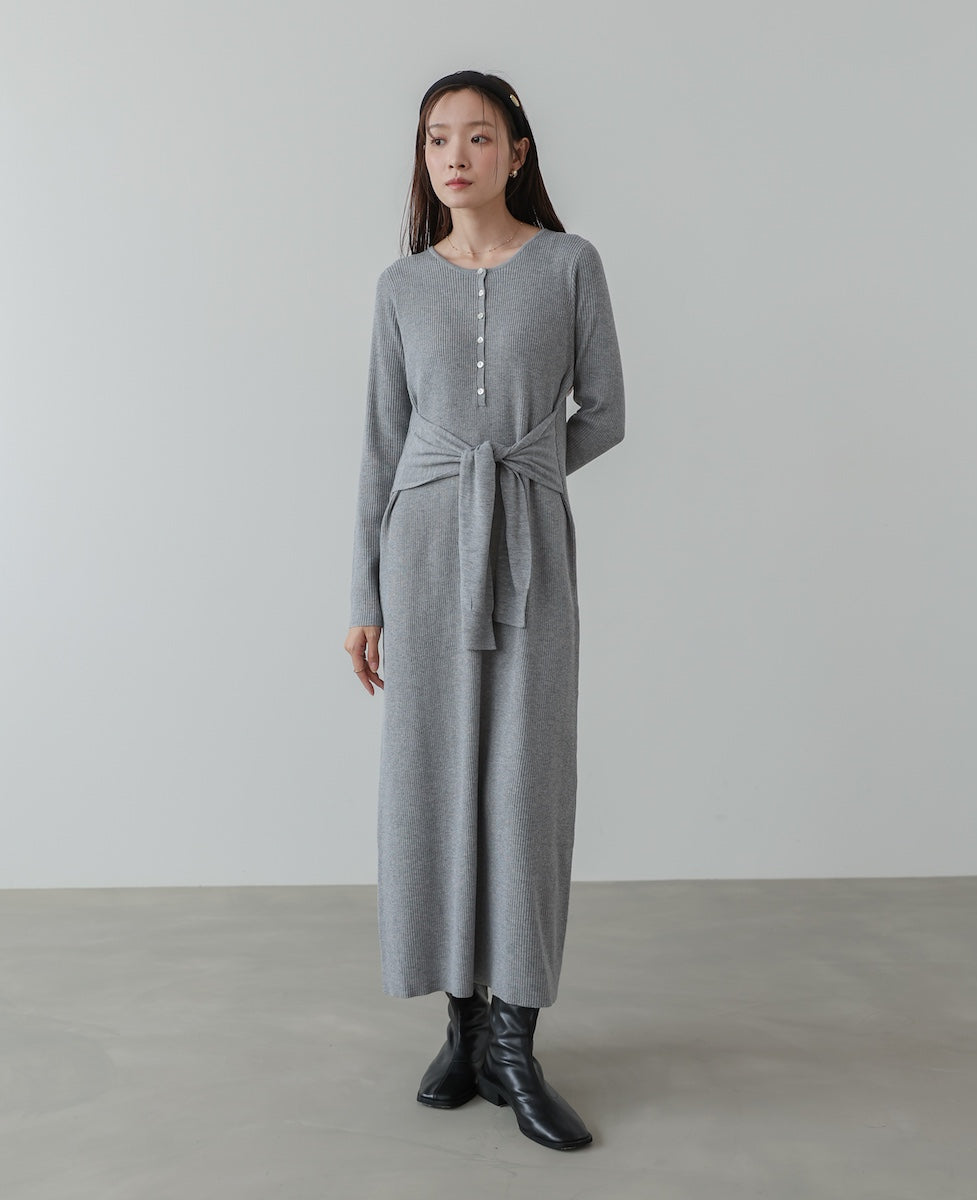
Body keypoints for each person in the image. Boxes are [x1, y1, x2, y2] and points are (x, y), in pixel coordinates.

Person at [343, 69, 626, 1152]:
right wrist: (362, 596)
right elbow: (380, 446)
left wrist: (524, 473)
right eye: (436, 139)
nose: (454, 156)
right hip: (419, 552)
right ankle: (460, 1028)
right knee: (431, 781)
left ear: (517, 150)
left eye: (476, 136)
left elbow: (605, 411)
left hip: (528, 552)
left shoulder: (570, 265)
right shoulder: (400, 287)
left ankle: (516, 1038)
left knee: (523, 783)